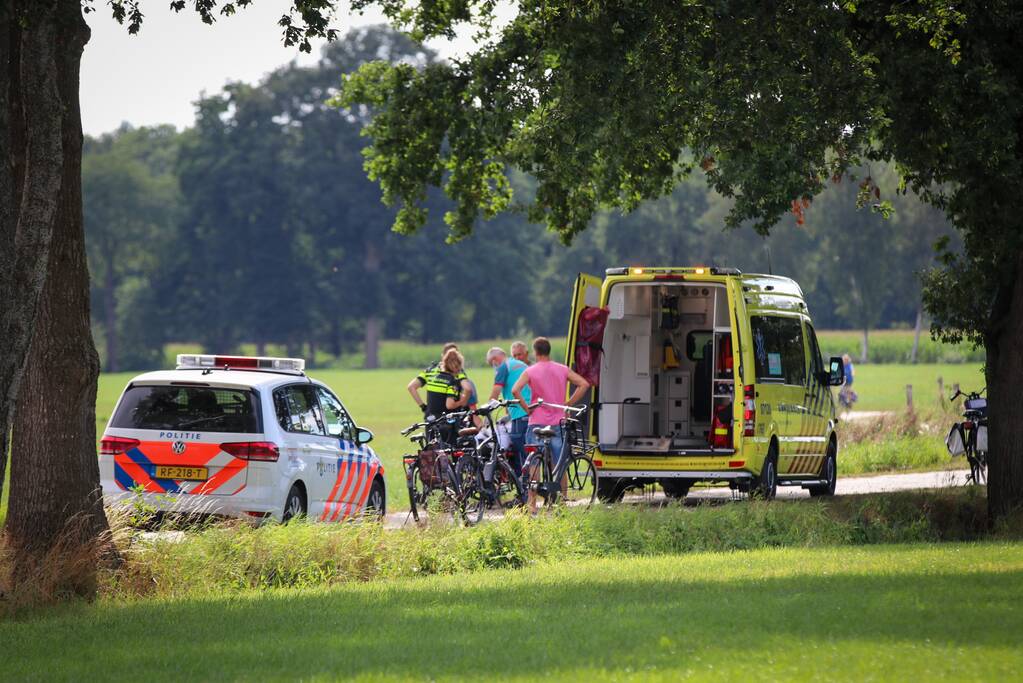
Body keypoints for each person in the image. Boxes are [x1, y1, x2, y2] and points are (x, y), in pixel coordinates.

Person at [511, 336, 590, 513]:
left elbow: (515, 389)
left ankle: (532, 504)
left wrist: (527, 408)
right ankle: (561, 502)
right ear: (548, 351)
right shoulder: (562, 369)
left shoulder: (531, 371)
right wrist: (568, 403)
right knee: (559, 463)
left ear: (535, 352)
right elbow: (584, 384)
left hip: (536, 422)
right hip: (558, 422)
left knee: (534, 463)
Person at [487, 346, 531, 475]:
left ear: (495, 359)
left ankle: (526, 479)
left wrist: (486, 411)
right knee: (529, 445)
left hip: (520, 410)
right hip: (532, 408)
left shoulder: (503, 367)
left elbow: (496, 391)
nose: (493, 366)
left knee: (518, 444)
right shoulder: (520, 364)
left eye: (491, 364)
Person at [407, 342, 465, 414]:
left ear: (442, 355)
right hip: (448, 419)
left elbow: (411, 387)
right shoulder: (457, 373)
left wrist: (423, 407)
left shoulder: (430, 370)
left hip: (430, 417)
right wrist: (463, 401)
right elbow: (466, 390)